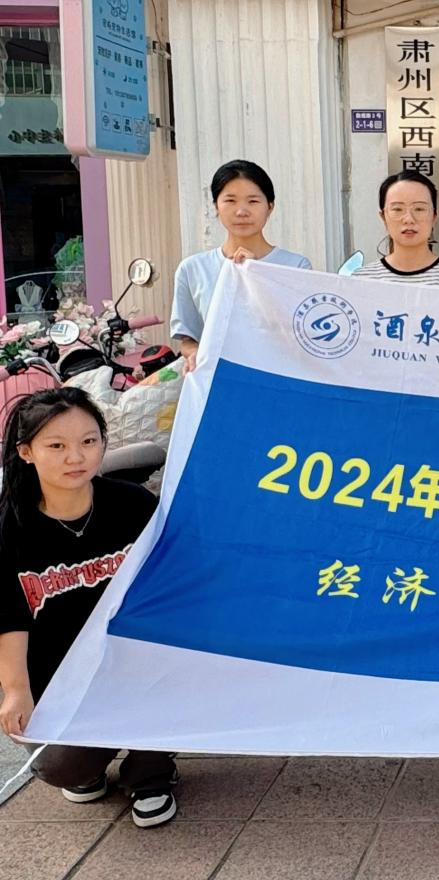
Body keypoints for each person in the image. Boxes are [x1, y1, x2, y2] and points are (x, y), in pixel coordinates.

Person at [0, 389, 177, 828]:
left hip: (134, 666)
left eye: (89, 441)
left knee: (174, 682)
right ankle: (89, 766)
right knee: (59, 765)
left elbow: (172, 584)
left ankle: (150, 774)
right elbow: (9, 616)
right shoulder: (10, 527)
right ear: (26, 452)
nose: (76, 457)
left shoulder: (134, 505)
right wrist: (17, 690)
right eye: (56, 445)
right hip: (61, 680)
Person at [169, 160, 312, 371]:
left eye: (253, 201)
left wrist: (257, 275)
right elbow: (188, 339)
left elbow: (300, 334)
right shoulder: (192, 269)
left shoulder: (296, 266)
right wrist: (196, 353)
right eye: (230, 200)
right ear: (216, 206)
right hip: (220, 379)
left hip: (277, 376)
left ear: (270, 206)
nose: (241, 211)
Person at [353, 171, 439, 287]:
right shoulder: (362, 280)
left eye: (419, 209)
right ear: (383, 217)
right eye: (397, 209)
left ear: (434, 216)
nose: (409, 219)